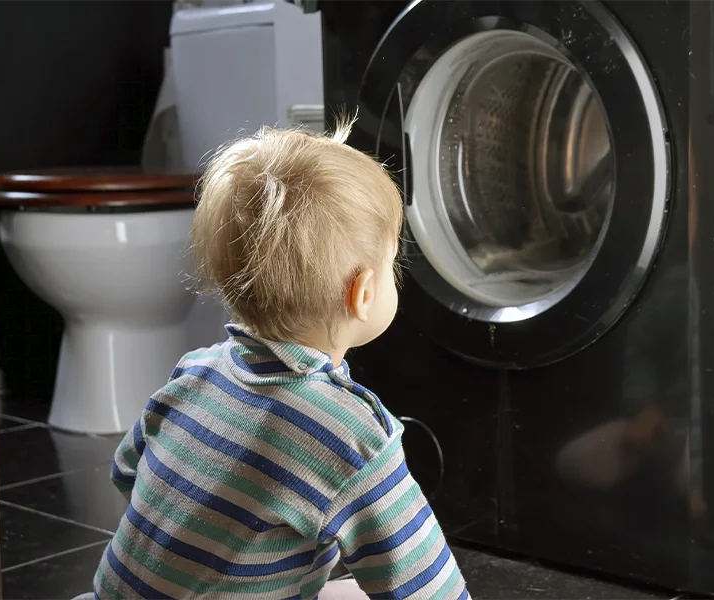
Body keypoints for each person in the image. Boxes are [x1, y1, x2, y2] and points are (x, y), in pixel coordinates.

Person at [87, 121, 470, 599]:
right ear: (364, 294)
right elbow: (428, 589)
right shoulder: (352, 438)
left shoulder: (196, 371)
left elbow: (126, 472)